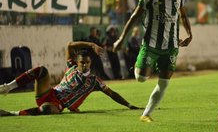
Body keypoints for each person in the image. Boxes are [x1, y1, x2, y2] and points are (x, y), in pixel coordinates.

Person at [113, 0, 193, 122]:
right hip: (150, 45)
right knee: (141, 78)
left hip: (171, 47)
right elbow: (134, 17)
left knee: (164, 83)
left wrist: (190, 34)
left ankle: (146, 114)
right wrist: (122, 38)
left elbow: (183, 15)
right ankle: (140, 66)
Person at [0, 41, 140, 116]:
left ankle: (10, 113)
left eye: (87, 62)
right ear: (77, 62)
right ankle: (8, 87)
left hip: (58, 104)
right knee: (41, 70)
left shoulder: (94, 81)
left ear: (90, 63)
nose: (84, 65)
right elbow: (70, 45)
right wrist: (91, 44)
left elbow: (112, 94)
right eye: (82, 62)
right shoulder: (71, 66)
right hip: (48, 93)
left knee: (46, 110)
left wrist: (129, 105)